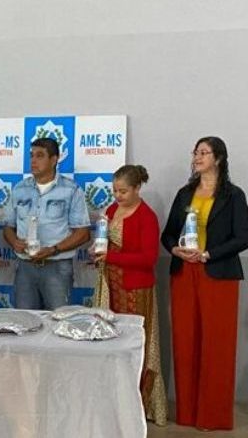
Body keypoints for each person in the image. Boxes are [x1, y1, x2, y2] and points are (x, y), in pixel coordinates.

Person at [160, 136, 248, 431]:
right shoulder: (185, 193)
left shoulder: (233, 195)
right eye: (195, 152)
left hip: (218, 274)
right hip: (184, 272)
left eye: (203, 152)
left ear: (218, 158)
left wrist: (209, 253)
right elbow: (168, 234)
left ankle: (212, 416)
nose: (197, 157)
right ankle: (187, 412)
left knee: (216, 344)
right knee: (185, 340)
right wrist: (175, 250)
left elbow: (243, 237)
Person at [93, 165, 167, 426]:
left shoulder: (147, 217)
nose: (118, 196)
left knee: (135, 346)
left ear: (137, 188)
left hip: (135, 289)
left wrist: (110, 256)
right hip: (110, 286)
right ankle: (113, 400)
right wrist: (98, 253)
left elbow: (149, 259)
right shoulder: (112, 210)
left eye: (123, 191)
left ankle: (138, 404)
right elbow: (105, 241)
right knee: (110, 342)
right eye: (115, 191)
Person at [3, 137, 90, 310]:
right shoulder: (19, 189)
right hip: (25, 268)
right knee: (26, 320)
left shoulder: (71, 190)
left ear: (54, 159)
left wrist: (53, 249)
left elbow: (83, 234)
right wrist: (14, 242)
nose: (33, 161)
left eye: (40, 155)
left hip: (57, 267)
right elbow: (8, 227)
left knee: (58, 319)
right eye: (31, 155)